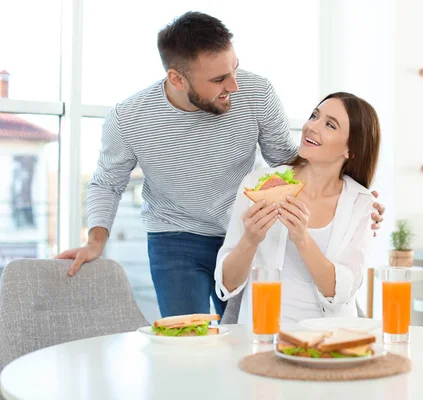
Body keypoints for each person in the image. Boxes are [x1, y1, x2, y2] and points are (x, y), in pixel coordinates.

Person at [55, 12, 385, 318]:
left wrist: (351, 203)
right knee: (188, 340)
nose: (234, 86)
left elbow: (287, 159)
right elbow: (107, 182)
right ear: (177, 78)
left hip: (245, 225)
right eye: (218, 79)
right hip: (176, 236)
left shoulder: (256, 92)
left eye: (235, 69)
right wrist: (95, 241)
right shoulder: (129, 118)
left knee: (241, 330)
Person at [215, 92, 380, 323]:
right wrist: (250, 240)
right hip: (264, 337)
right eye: (314, 116)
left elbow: (341, 292)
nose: (312, 126)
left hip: (330, 341)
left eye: (330, 125)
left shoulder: (361, 204)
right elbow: (227, 284)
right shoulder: (257, 185)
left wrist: (302, 239)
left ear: (350, 150)